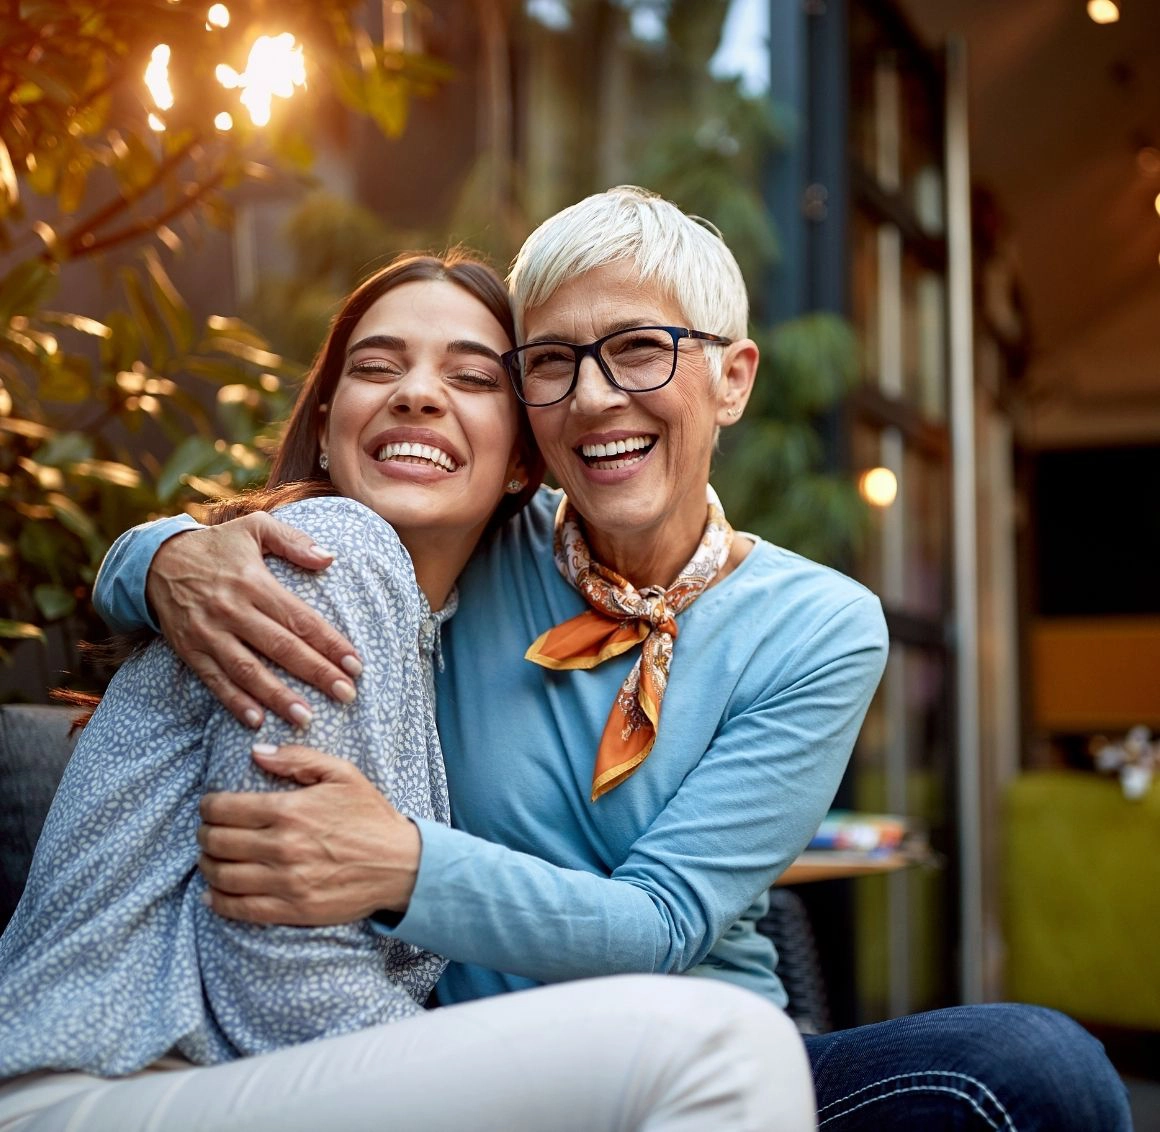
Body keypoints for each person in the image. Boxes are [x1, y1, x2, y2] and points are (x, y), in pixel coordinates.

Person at [93, 187, 1132, 1130]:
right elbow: (304, 538)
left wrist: (404, 863)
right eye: (549, 362)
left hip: (715, 1062)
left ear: (731, 378)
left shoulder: (820, 625)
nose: (593, 398)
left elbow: (666, 920)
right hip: (470, 1068)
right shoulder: (471, 545)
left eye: (637, 348)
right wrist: (159, 557)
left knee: (1032, 1067)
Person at [0, 250, 816, 1132]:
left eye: (470, 376)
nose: (418, 394)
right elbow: (281, 985)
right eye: (376, 367)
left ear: (524, 462)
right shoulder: (331, 554)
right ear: (324, 423)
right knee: (728, 1049)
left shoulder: (446, 623)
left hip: (211, 1079)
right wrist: (155, 554)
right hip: (106, 1083)